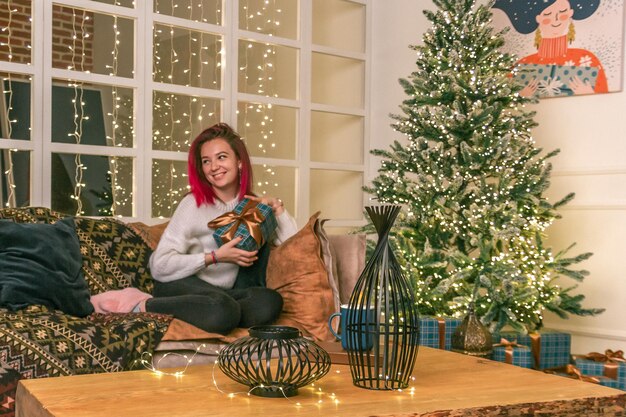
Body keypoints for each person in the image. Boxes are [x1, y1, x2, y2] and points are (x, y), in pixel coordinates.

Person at [93, 123, 298, 334]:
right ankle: (139, 304)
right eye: (206, 161)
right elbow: (159, 266)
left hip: (225, 294)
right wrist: (215, 257)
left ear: (239, 162)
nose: (213, 167)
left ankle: (221, 312)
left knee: (269, 302)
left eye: (221, 157)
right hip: (181, 286)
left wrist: (278, 210)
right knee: (222, 310)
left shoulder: (252, 206)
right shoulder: (193, 204)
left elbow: (295, 247)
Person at [493, 0, 608, 97]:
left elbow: (605, 100)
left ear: (570, 13)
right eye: (548, 15)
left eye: (562, 13)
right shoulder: (523, 64)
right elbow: (503, 101)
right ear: (538, 18)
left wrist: (589, 94)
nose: (556, 20)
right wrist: (521, 96)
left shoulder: (586, 59)